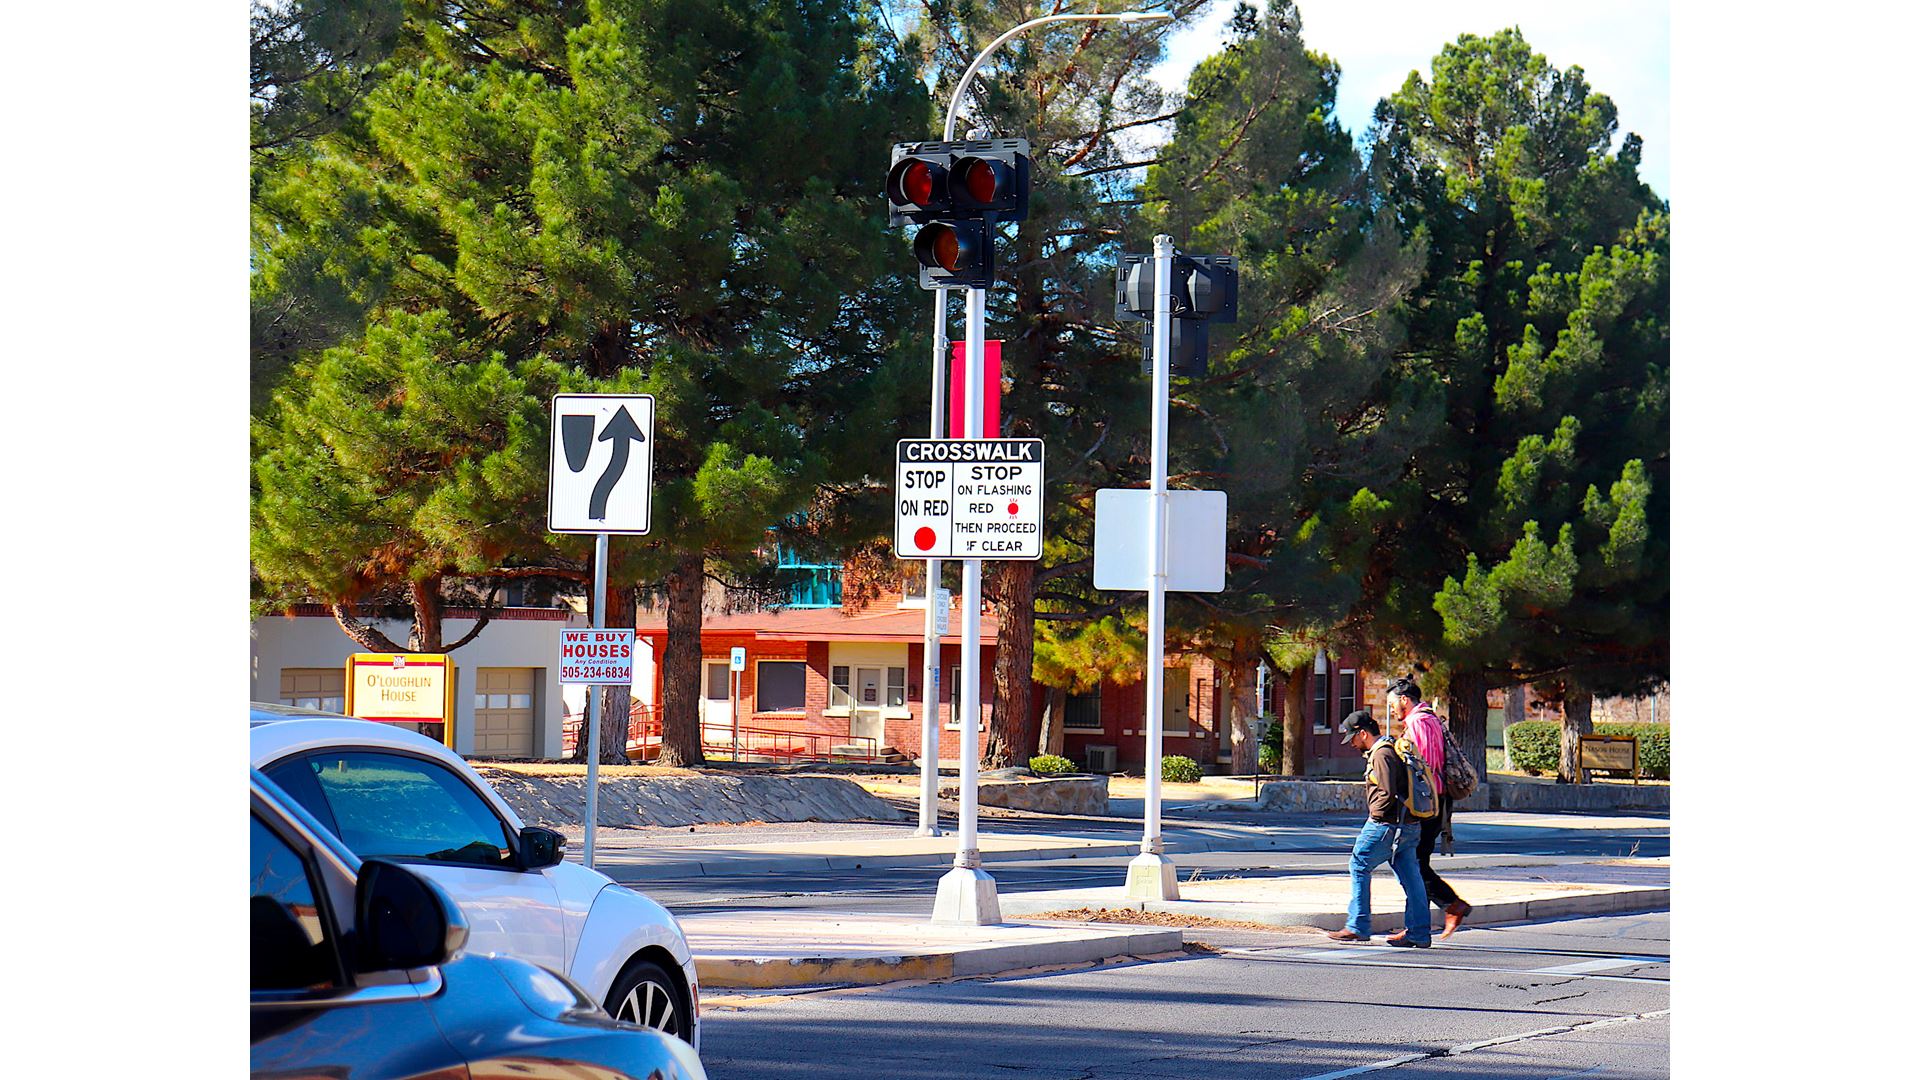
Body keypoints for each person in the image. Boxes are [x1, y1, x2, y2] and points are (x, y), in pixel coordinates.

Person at [1326, 710, 1431, 947]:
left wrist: (1377, 818)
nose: (1352, 743)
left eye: (1352, 738)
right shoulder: (1391, 748)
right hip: (1409, 825)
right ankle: (1419, 932)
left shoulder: (1381, 754)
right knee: (1411, 876)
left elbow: (1387, 791)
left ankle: (1357, 926)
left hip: (1387, 824)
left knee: (1359, 863)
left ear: (1363, 733)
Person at [1386, 675, 1473, 940]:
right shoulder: (1430, 718)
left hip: (1426, 803)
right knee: (1413, 862)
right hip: (1435, 800)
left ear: (1404, 700)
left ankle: (1447, 908)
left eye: (1392, 704)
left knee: (1410, 862)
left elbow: (1422, 766)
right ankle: (1420, 924)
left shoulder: (1419, 721)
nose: (1391, 710)